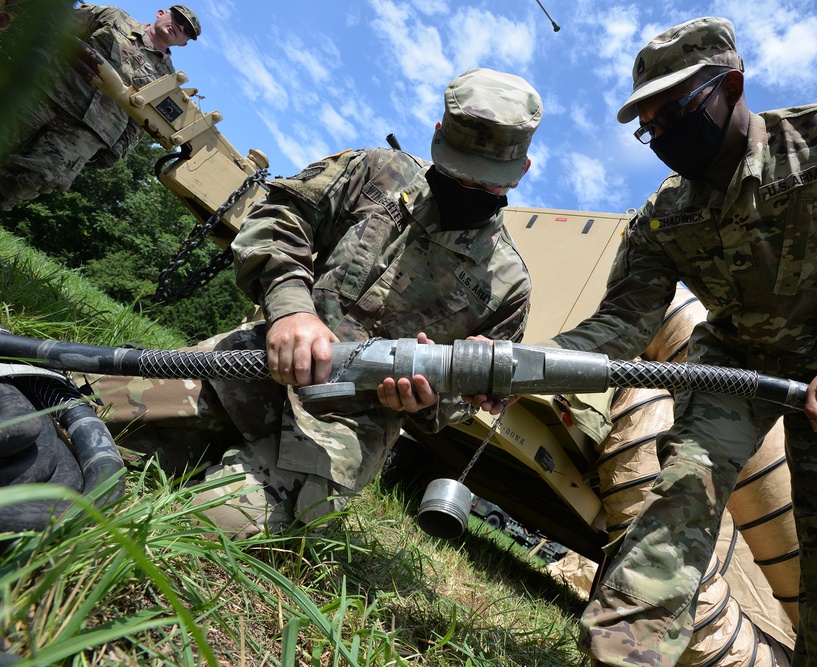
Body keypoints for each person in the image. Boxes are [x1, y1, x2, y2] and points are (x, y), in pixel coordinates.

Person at [527, 17, 817, 667]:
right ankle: (621, 654)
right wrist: (521, 364)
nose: (660, 137)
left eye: (674, 113)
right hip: (731, 363)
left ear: (730, 85)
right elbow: (621, 326)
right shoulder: (664, 214)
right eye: (647, 127)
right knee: (683, 487)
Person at [79, 67, 542, 536]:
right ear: (438, 136)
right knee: (69, 408)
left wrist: (429, 400)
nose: (467, 189)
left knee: (205, 526)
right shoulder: (375, 172)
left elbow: (466, 403)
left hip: (342, 435)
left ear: (521, 171)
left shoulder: (508, 286)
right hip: (255, 365)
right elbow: (279, 214)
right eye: (456, 171)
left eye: (485, 183)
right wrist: (292, 308)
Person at [0, 4, 200, 210]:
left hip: (89, 132)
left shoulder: (168, 80)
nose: (180, 27)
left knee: (35, 179)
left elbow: (143, 121)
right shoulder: (114, 17)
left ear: (184, 43)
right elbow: (59, 30)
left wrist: (119, 150)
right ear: (161, 14)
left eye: (186, 31)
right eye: (177, 19)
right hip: (47, 93)